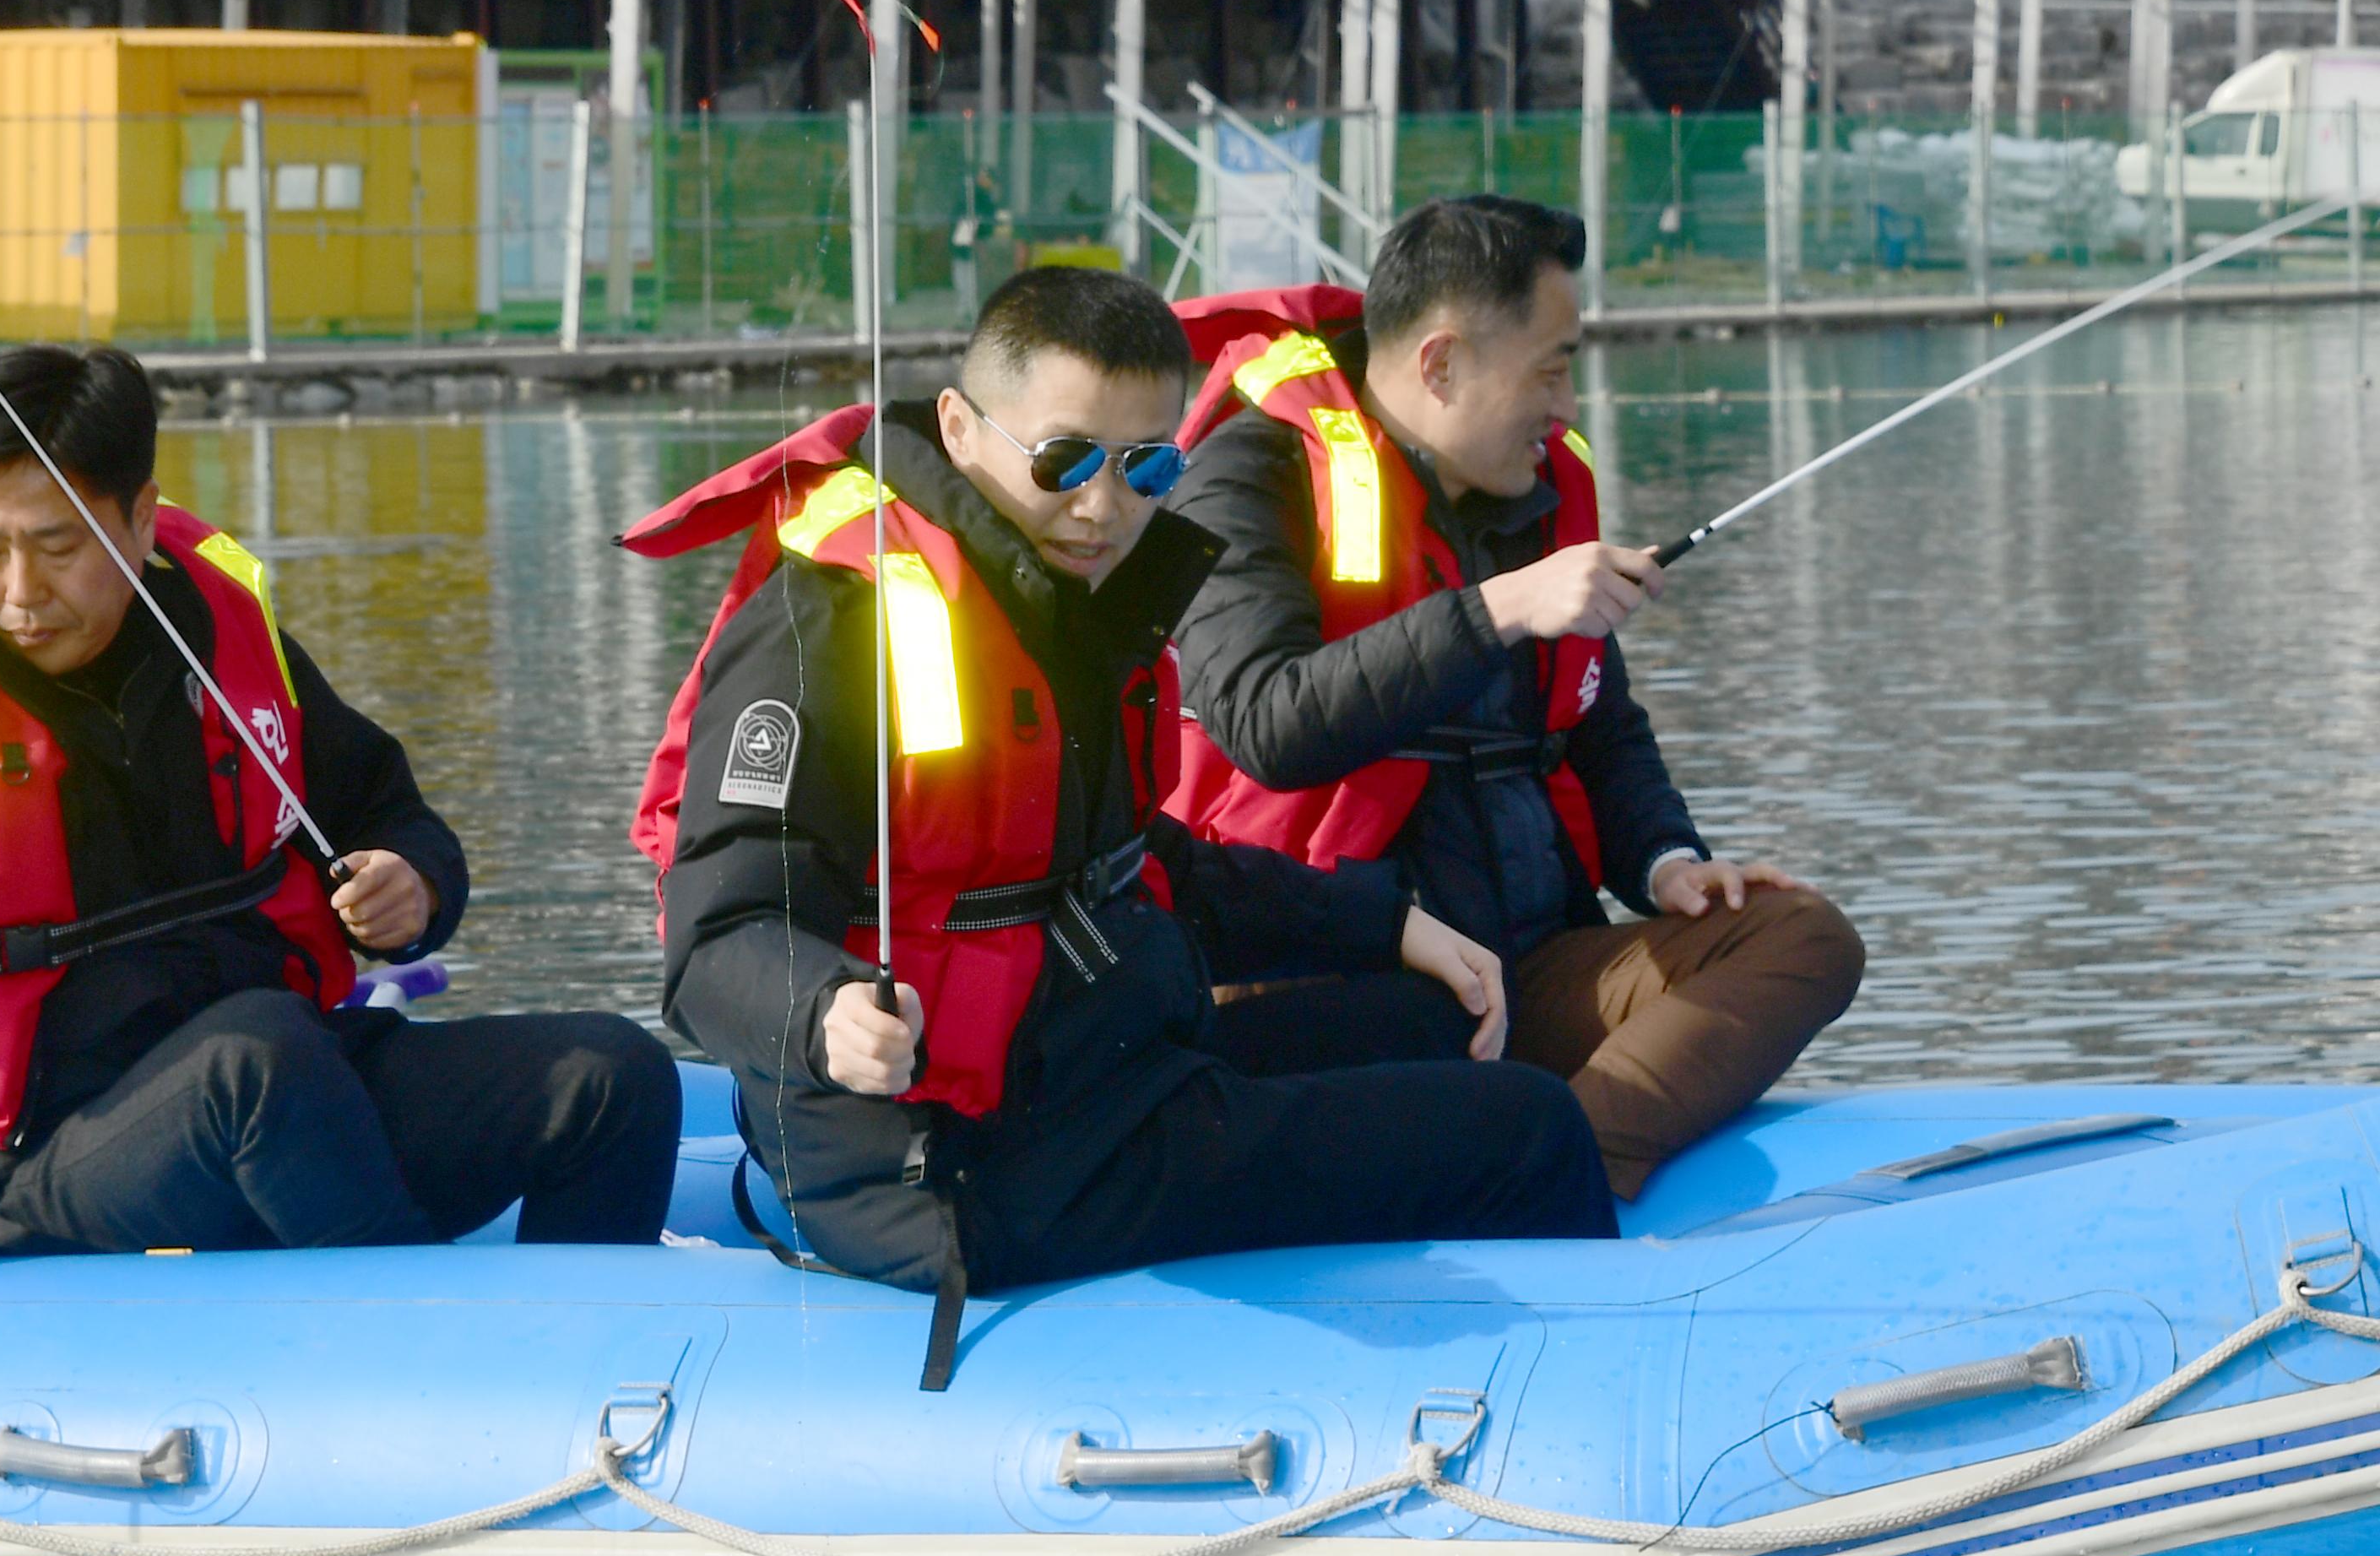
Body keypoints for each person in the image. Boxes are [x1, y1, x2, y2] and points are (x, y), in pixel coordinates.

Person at [625, 266, 1612, 1388]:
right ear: (960, 427)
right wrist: (828, 1014)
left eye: (1148, 466)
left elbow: (1140, 866)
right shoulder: (824, 623)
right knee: (1527, 1126)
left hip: (1090, 1066)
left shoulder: (1068, 594)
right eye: (1065, 462)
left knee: (1426, 1015)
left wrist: (1383, 925)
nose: (1104, 506)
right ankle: (1571, 1416)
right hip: (952, 1159)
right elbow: (716, 941)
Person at [0, 345, 679, 1257]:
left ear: (141, 519)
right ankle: (429, 1363)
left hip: (288, 1078)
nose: (18, 592)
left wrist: (413, 882)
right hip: (40, 1148)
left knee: (616, 1073)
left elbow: (381, 804)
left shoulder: (218, 632)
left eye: (57, 548)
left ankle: (597, 1378)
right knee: (258, 1060)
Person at [1163, 197, 1866, 1198]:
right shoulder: (1248, 472)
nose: (1568, 405)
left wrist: (1668, 861)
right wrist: (1494, 610)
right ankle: (1533, 1157)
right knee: (1413, 1028)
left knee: (1806, 938)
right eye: (1550, 368)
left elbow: (1600, 727)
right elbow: (1267, 722)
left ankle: (1572, 1156)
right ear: (1442, 364)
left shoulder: (1531, 493)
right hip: (1348, 977)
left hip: (1529, 968)